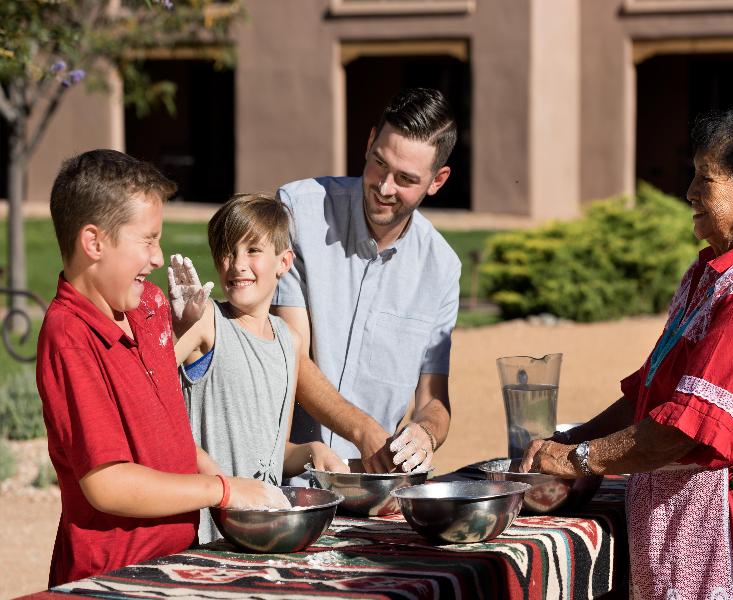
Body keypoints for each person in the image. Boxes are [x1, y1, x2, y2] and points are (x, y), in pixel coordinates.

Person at [521, 108, 733, 599]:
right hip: (686, 524)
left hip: (730, 533)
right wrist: (568, 441)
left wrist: (577, 459)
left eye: (705, 179)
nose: (689, 192)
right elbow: (651, 393)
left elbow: (682, 429)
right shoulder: (713, 272)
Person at [36, 150, 286, 586]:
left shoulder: (149, 306)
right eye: (148, 240)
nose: (158, 257)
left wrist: (234, 486)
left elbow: (169, 436)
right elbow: (108, 484)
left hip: (173, 566)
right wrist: (222, 490)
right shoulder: (69, 336)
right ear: (94, 243)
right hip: (112, 580)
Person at [272, 88, 461, 474]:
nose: (385, 187)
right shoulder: (298, 211)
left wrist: (425, 432)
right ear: (370, 141)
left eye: (406, 178)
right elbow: (291, 355)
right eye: (380, 164)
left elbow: (433, 399)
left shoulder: (441, 268)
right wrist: (362, 430)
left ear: (437, 180)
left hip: (372, 483)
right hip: (285, 473)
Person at [169, 193, 346, 543]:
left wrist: (312, 450)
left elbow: (274, 450)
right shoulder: (207, 321)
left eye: (252, 250)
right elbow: (145, 383)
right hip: (205, 532)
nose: (237, 264)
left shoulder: (290, 342)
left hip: (264, 528)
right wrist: (177, 328)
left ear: (284, 262)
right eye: (227, 251)